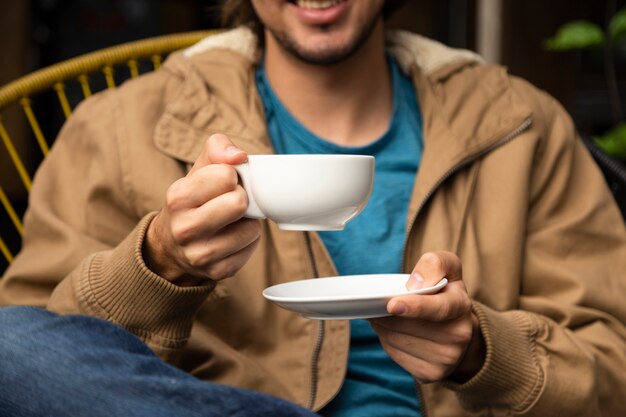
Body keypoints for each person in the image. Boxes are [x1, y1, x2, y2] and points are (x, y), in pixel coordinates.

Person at [1, 0, 626, 416]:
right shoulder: (117, 127)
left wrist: (482, 352)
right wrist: (158, 264)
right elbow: (35, 362)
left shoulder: (519, 125)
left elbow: (614, 366)